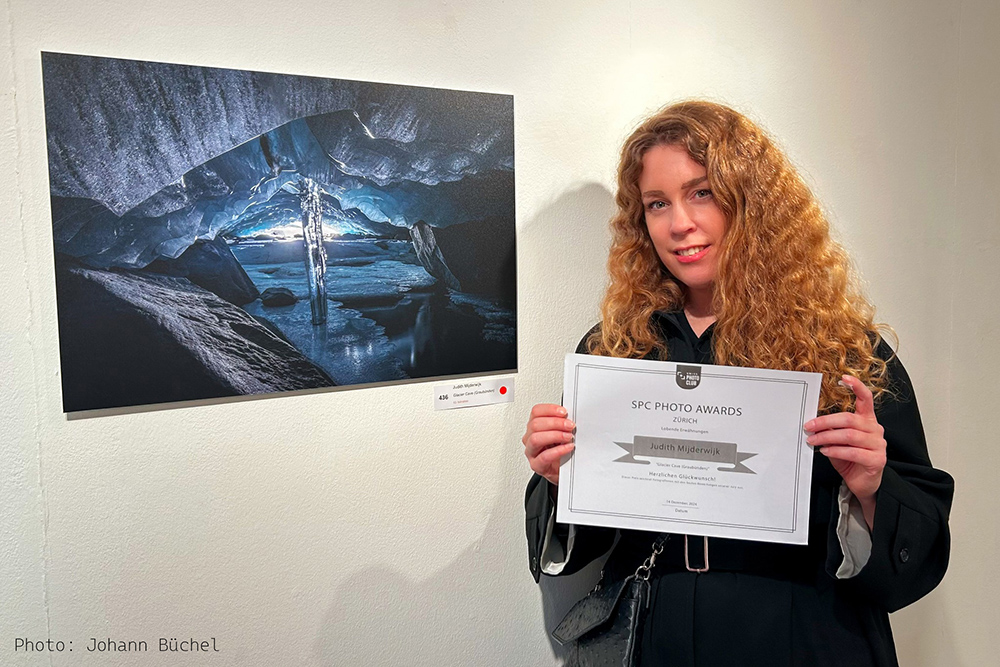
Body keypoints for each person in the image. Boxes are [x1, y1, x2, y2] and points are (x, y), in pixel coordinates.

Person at [522, 101, 953, 667]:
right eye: (657, 203)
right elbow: (584, 539)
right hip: (659, 632)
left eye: (702, 193)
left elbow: (920, 549)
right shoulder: (617, 348)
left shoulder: (843, 350)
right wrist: (559, 476)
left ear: (751, 201)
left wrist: (873, 488)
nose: (679, 224)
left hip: (803, 635)